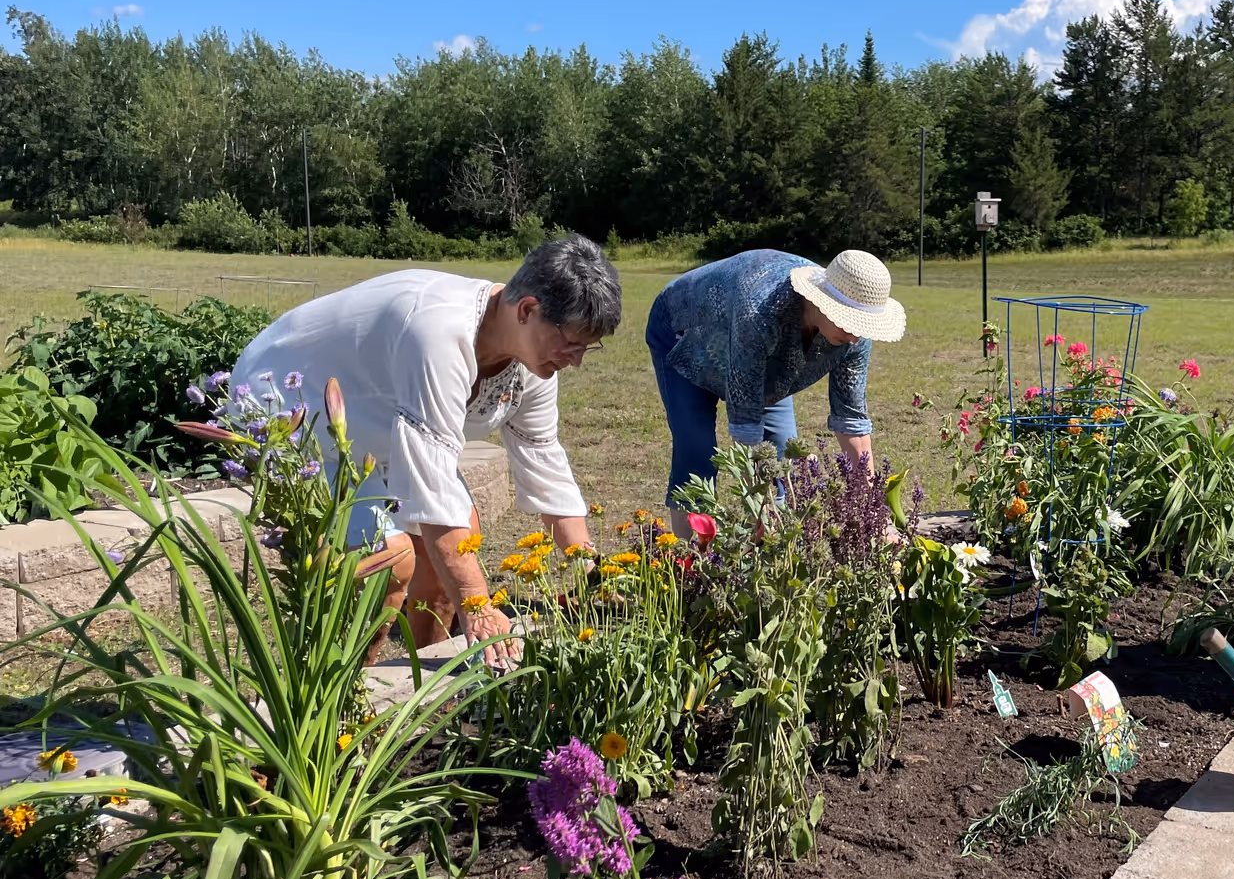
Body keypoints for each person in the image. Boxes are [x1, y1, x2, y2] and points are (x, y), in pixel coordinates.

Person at [233, 234, 620, 666]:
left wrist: (591, 571)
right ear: (528, 310)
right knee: (390, 562)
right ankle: (347, 704)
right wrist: (481, 608)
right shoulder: (438, 331)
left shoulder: (533, 361)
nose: (577, 359)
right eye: (572, 342)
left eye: (588, 346)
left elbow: (543, 459)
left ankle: (427, 685)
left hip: (377, 425)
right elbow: (433, 487)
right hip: (295, 410)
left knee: (452, 553)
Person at [647, 247, 905, 517]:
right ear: (823, 302)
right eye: (850, 322)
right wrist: (758, 508)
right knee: (697, 451)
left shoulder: (856, 338)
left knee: (781, 455)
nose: (855, 337)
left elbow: (852, 421)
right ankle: (691, 554)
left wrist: (871, 510)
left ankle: (772, 543)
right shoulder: (760, 311)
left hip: (761, 353)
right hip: (687, 331)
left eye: (863, 326)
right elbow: (745, 426)